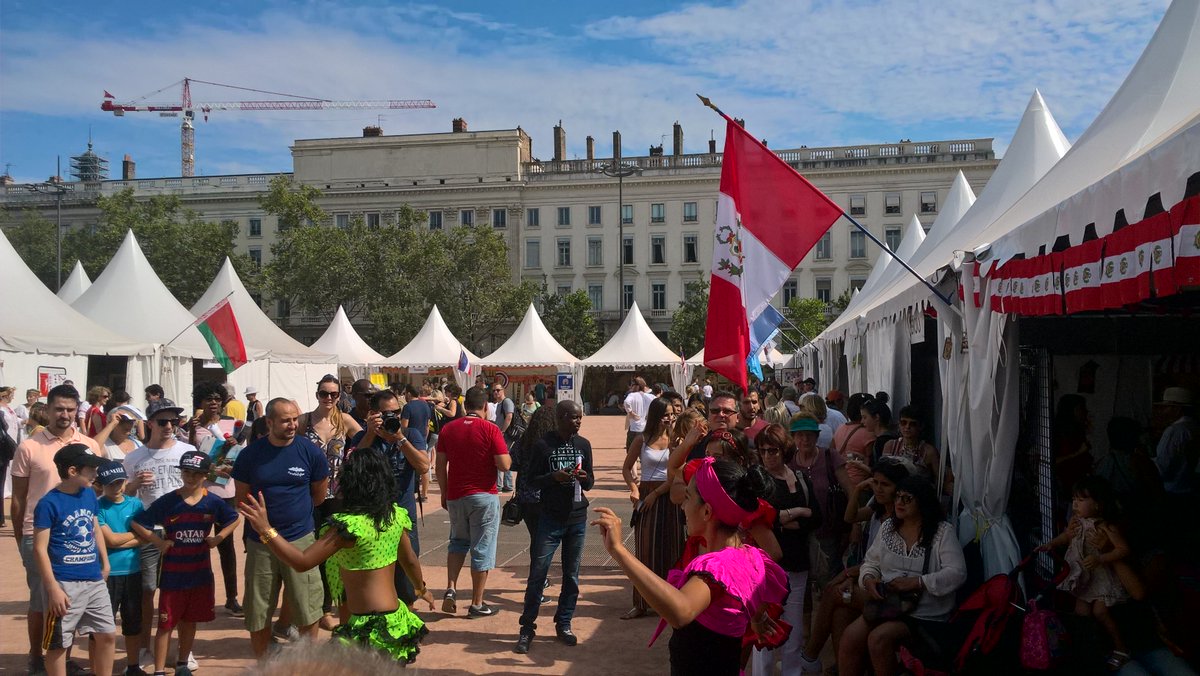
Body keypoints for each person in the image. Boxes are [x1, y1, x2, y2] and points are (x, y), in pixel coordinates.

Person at [592, 457, 789, 676]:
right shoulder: (750, 556)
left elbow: (681, 611)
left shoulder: (717, 568)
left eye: (688, 498)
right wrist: (757, 618)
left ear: (706, 512)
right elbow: (754, 598)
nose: (683, 507)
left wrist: (618, 550)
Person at [238, 447, 435, 665]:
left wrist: (266, 530)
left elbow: (302, 562)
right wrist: (421, 589)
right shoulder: (394, 517)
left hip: (365, 626)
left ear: (350, 484)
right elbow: (409, 560)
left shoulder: (348, 528)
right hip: (395, 619)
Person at [10, 384, 101, 675]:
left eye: (70, 409)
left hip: (77, 537)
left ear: (77, 411)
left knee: (71, 602)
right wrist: (22, 538)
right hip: (38, 534)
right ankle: (37, 657)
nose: (65, 414)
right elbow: (19, 498)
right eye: (59, 409)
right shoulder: (29, 447)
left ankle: (63, 657)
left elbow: (94, 494)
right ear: (47, 409)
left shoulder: (90, 446)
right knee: (41, 601)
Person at [232, 398, 330, 658]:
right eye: (286, 421)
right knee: (258, 608)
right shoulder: (250, 455)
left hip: (300, 539)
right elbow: (242, 500)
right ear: (270, 422)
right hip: (260, 542)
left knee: (307, 605)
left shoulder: (310, 452)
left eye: (295, 419)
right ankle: (264, 664)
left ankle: (307, 664)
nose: (292, 425)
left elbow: (319, 495)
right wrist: (263, 523)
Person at [839, 476, 967, 676]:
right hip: (891, 605)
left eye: (907, 498)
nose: (899, 502)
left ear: (922, 502)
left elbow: (957, 573)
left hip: (927, 613)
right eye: (898, 497)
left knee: (879, 639)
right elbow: (871, 562)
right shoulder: (889, 527)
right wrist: (868, 579)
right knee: (850, 636)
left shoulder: (942, 533)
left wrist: (918, 582)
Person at [131, 451, 239, 676]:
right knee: (165, 624)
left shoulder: (212, 502)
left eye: (196, 473)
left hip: (200, 574)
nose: (190, 477)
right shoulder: (169, 501)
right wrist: (159, 542)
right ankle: (159, 670)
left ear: (206, 475)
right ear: (181, 473)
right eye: (186, 472)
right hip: (173, 576)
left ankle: (182, 664)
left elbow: (234, 518)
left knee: (190, 621)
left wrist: (218, 538)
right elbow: (138, 522)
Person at [800, 457, 912, 674]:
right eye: (875, 483)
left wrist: (853, 573)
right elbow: (850, 517)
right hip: (868, 575)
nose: (878, 489)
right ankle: (844, 666)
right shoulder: (877, 509)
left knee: (834, 592)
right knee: (841, 610)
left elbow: (887, 563)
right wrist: (859, 488)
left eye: (885, 484)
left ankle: (811, 655)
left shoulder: (902, 519)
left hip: (886, 591)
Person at [122, 397, 197, 671]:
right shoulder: (134, 457)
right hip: (148, 532)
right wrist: (133, 484)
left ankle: (184, 651)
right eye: (163, 421)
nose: (169, 426)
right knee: (147, 590)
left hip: (182, 530)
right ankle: (144, 649)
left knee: (182, 590)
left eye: (174, 421)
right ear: (150, 423)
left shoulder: (187, 451)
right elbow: (124, 496)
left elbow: (200, 486)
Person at [514, 400, 595, 653]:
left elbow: (590, 481)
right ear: (560, 418)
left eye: (580, 417)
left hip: (577, 518)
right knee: (538, 574)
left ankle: (564, 623)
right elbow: (531, 481)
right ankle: (527, 628)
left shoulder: (583, 445)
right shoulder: (543, 445)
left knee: (571, 575)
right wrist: (554, 477)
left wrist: (585, 478)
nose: (578, 421)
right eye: (573, 417)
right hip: (549, 518)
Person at [32, 444, 116, 676]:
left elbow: (95, 527)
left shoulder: (88, 494)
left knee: (107, 634)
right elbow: (39, 549)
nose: (96, 473)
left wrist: (105, 563)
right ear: (72, 471)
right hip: (64, 583)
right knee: (59, 643)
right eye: (91, 469)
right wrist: (52, 588)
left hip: (94, 579)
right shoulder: (49, 503)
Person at [1037, 476, 1135, 669]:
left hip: (1102, 579)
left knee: (1100, 612)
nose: (1075, 504)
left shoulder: (1106, 527)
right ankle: (1092, 648)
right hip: (1084, 578)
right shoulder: (1076, 522)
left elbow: (1123, 549)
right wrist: (1051, 544)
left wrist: (1100, 559)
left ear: (1098, 504)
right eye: (1074, 499)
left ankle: (1121, 648)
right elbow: (1066, 536)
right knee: (1081, 613)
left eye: (1081, 500)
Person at [435, 385, 510, 617]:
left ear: (465, 405)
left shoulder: (448, 429)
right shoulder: (490, 429)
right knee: (482, 548)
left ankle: (451, 587)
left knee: (457, 542)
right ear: (485, 406)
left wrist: (445, 493)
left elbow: (439, 466)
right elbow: (504, 465)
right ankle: (477, 603)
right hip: (483, 495)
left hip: (456, 495)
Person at [350, 389, 430, 608]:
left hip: (403, 513)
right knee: (375, 568)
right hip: (372, 515)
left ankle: (408, 610)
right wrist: (369, 434)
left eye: (397, 412)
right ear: (374, 414)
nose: (393, 417)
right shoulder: (363, 437)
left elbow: (423, 466)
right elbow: (352, 467)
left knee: (407, 569)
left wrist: (400, 439)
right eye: (387, 414)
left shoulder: (410, 434)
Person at [752, 423, 820, 675]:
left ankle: (793, 671)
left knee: (794, 629)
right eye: (763, 450)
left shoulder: (800, 479)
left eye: (773, 450)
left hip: (797, 562)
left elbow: (817, 517)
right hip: (766, 566)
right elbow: (759, 518)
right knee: (765, 626)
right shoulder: (758, 480)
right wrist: (798, 512)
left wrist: (784, 518)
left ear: (784, 450)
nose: (767, 456)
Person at [619, 397, 683, 619]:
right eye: (665, 414)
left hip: (669, 494)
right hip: (646, 494)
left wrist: (656, 494)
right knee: (645, 547)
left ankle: (671, 601)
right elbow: (627, 468)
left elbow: (676, 474)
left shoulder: (677, 439)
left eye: (672, 414)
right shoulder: (642, 439)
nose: (670, 418)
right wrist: (634, 489)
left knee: (673, 546)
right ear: (655, 416)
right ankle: (641, 603)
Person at [187, 381, 245, 619]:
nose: (213, 403)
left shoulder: (230, 424)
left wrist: (235, 445)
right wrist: (191, 433)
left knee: (226, 547)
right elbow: (188, 457)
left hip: (225, 493)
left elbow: (238, 456)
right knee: (197, 546)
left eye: (217, 399)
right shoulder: (193, 427)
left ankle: (232, 598)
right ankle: (199, 598)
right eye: (208, 398)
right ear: (200, 401)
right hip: (201, 493)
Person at [96, 461, 148, 676]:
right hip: (107, 575)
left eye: (119, 482)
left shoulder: (136, 505)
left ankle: (133, 666)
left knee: (133, 622)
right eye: (110, 484)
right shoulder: (98, 506)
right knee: (101, 626)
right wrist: (134, 537)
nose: (116, 487)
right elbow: (110, 540)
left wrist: (120, 540)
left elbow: (144, 537)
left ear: (126, 482)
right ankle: (99, 669)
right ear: (101, 485)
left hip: (132, 571)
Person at [789, 413, 854, 586]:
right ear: (793, 437)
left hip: (829, 532)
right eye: (800, 435)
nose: (805, 439)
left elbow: (851, 491)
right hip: (799, 534)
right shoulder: (789, 463)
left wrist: (855, 525)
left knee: (829, 580)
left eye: (809, 434)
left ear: (817, 436)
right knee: (803, 582)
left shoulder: (830, 457)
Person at [882, 405, 953, 497]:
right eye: (903, 423)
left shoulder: (928, 451)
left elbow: (940, 480)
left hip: (918, 497)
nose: (907, 427)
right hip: (893, 495)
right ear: (899, 424)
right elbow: (882, 473)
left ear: (921, 426)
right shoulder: (890, 446)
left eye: (913, 424)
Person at [1153, 387, 1198, 510]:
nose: (1162, 411)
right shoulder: (1194, 427)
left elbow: (1162, 468)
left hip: (1174, 493)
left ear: (1177, 409)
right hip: (1191, 491)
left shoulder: (1174, 431)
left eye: (1166, 407)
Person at [833, 393, 878, 483]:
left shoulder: (840, 428)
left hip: (842, 480)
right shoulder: (869, 433)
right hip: (861, 483)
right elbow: (872, 462)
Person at [400, 383, 433, 500]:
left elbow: (404, 426)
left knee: (409, 467)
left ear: (409, 393)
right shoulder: (425, 405)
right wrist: (424, 438)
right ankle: (424, 494)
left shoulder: (408, 407)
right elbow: (427, 425)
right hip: (422, 438)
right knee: (424, 467)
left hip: (409, 440)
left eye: (405, 393)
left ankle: (410, 492)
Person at [491, 383, 516, 492]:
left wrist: (503, 431)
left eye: (498, 390)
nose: (495, 392)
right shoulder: (500, 403)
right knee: (504, 458)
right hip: (503, 434)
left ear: (503, 390)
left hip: (506, 435)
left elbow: (509, 416)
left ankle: (502, 485)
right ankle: (506, 485)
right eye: (494, 390)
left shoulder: (507, 401)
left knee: (502, 458)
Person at [623, 377, 654, 449]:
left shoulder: (632, 395)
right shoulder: (650, 396)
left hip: (634, 427)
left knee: (630, 448)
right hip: (645, 427)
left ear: (637, 386)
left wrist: (631, 412)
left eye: (633, 385)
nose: (631, 387)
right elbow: (657, 403)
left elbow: (626, 402)